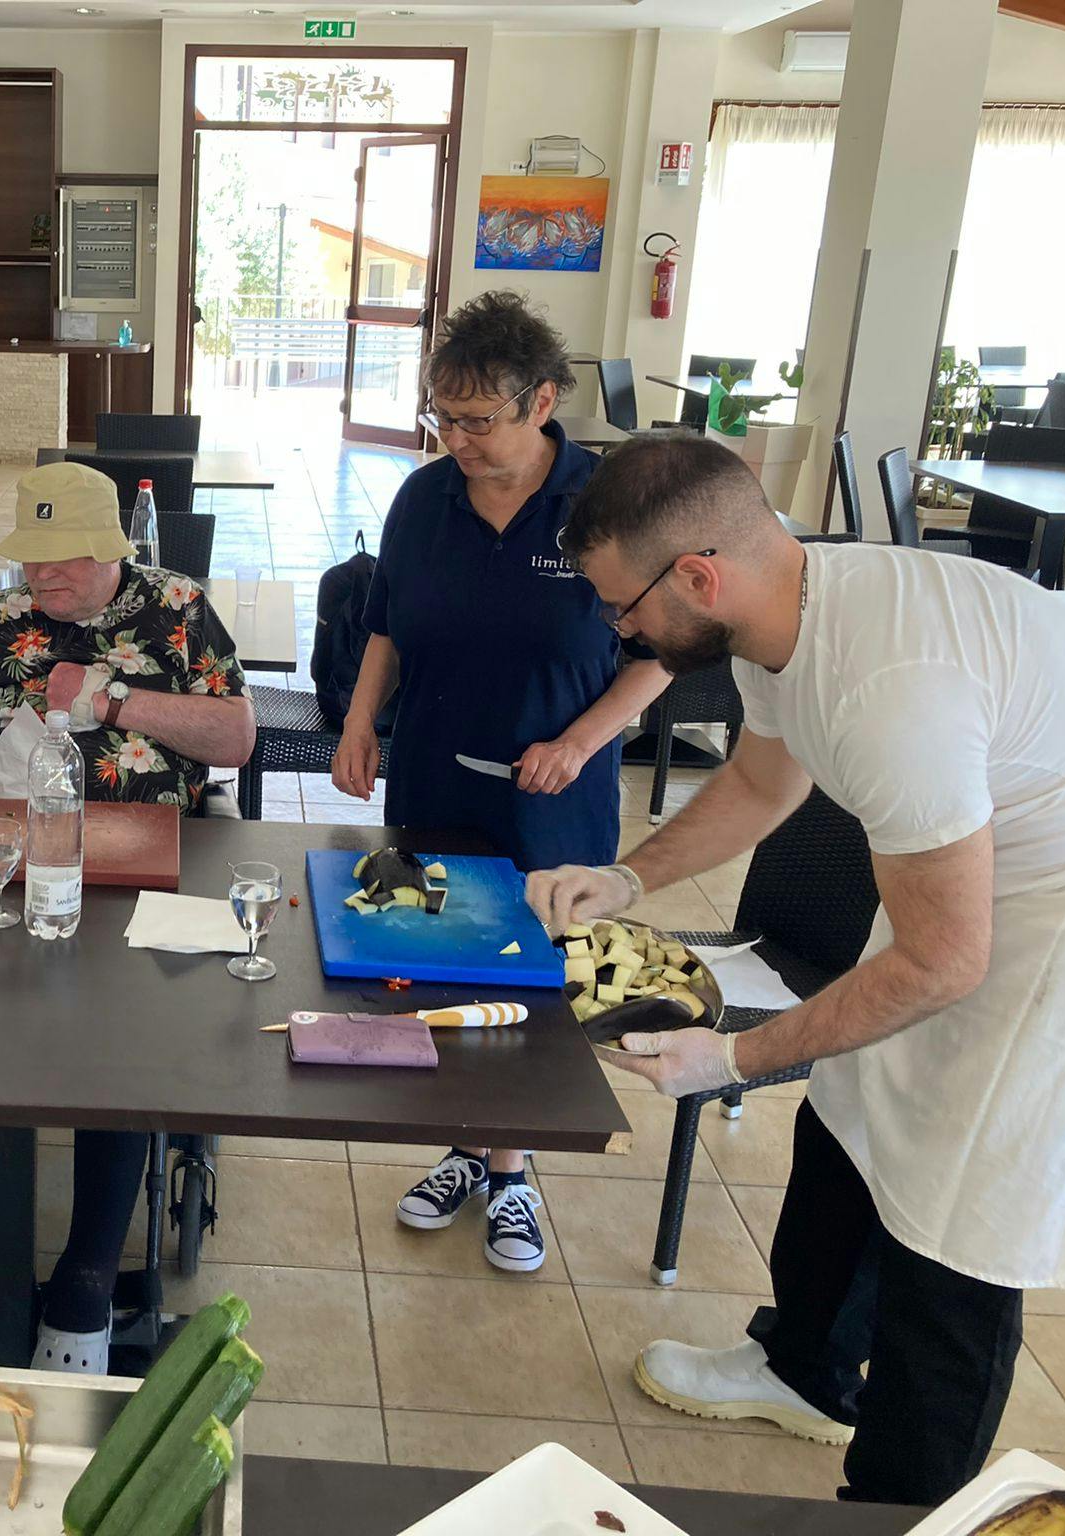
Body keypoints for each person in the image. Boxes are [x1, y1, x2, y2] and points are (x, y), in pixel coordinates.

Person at [528, 432, 1065, 1507]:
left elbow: (945, 961)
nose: (615, 630)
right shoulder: (786, 614)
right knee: (850, 1111)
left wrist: (733, 1057)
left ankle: (901, 1507)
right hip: (979, 868)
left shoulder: (892, 688)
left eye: (621, 607)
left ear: (698, 578)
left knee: (959, 1221)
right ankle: (800, 1367)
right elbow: (764, 786)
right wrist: (624, 881)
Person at [331, 292, 670, 1273]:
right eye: (444, 416)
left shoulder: (607, 503)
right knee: (440, 960)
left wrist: (580, 739)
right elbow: (387, 623)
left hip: (552, 788)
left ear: (542, 403)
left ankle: (510, 1169)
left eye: (478, 420)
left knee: (531, 971)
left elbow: (660, 653)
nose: (457, 437)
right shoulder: (420, 498)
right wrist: (360, 722)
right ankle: (463, 1145)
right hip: (435, 767)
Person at [0, 461, 254, 1372]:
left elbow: (238, 738)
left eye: (63, 564)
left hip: (140, 867)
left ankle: (89, 1277)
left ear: (112, 552)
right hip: (3, 863)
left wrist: (118, 699)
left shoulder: (175, 606)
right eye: (32, 562)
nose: (42, 581)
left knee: (121, 1054)